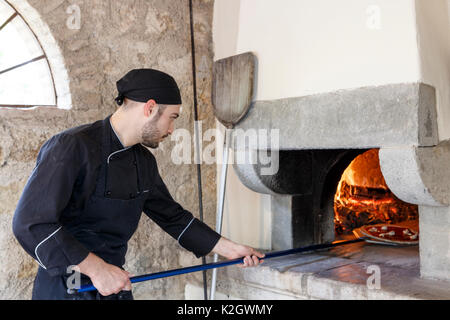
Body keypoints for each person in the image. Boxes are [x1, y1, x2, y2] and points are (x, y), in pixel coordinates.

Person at [12, 69, 264, 300]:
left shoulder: (143, 162)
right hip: (66, 287)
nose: (172, 129)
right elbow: (31, 224)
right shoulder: (71, 146)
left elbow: (173, 217)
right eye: (172, 118)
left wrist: (230, 249)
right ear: (150, 108)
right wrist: (97, 269)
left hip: (113, 285)